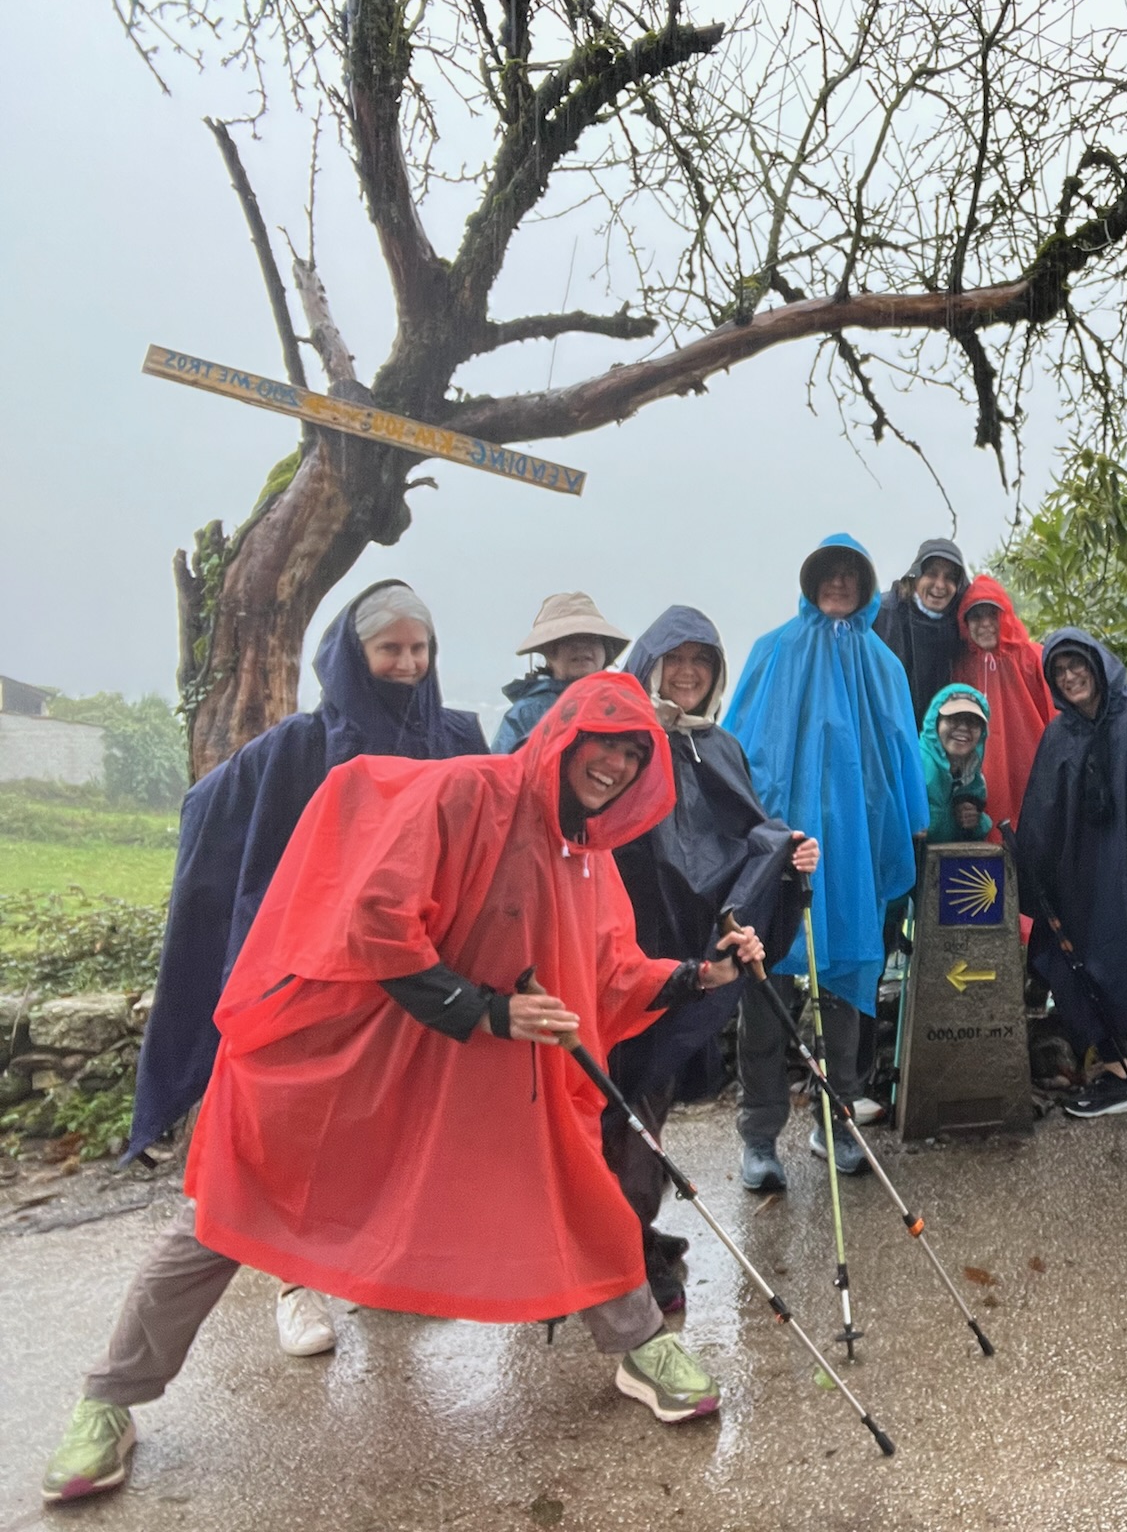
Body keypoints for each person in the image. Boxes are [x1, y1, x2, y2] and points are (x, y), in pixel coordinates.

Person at [41, 675, 765, 1505]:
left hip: (479, 1071)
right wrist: (487, 1010)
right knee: (228, 1209)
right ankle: (109, 1398)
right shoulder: (468, 793)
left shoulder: (587, 857)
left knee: (579, 1191)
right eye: (606, 741)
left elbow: (607, 972)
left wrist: (702, 973)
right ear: (565, 733)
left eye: (636, 753)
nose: (617, 762)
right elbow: (376, 919)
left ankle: (639, 1346)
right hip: (356, 1059)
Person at [129, 580, 485, 1360]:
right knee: (296, 1144)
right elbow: (213, 812)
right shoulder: (299, 745)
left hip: (417, 980)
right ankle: (296, 1285)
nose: (407, 663)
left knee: (393, 1135)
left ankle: (385, 1270)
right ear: (355, 655)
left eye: (419, 649)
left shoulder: (456, 737)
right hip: (320, 982)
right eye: (390, 649)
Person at [611, 606, 819, 1311]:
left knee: (646, 1102)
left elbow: (744, 836)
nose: (690, 671)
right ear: (650, 661)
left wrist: (790, 861)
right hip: (627, 954)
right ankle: (616, 1255)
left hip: (695, 959)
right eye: (677, 657)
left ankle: (627, 1247)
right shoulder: (628, 737)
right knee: (620, 1099)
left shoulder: (718, 746)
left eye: (703, 659)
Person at [724, 535, 927, 1187]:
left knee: (845, 998)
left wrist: (910, 837)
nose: (839, 583)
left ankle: (835, 1122)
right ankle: (759, 1137)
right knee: (764, 997)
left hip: (853, 862)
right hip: (778, 863)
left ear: (867, 588)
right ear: (811, 581)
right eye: (829, 573)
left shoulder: (883, 665)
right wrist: (758, 843)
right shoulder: (772, 651)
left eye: (851, 575)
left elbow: (901, 763)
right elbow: (735, 760)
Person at [1015, 629, 1127, 1118]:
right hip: (1082, 873)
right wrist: (1031, 879)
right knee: (1078, 959)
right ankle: (1115, 1065)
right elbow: (1041, 812)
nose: (1071, 676)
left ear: (1097, 665)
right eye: (1059, 671)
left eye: (1077, 665)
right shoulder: (1060, 734)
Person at [951, 576, 1054, 837]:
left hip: (1034, 784)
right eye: (976, 616)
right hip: (979, 798)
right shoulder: (961, 666)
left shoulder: (1033, 657)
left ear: (1004, 616)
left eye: (992, 615)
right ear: (965, 623)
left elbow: (1057, 716)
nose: (985, 624)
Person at [493, 591, 631, 753]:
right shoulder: (527, 713)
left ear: (605, 650)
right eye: (568, 640)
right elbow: (503, 770)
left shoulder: (626, 705)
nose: (581, 646)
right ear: (549, 654)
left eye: (591, 638)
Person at [873, 537, 968, 723]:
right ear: (916, 577)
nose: (940, 585)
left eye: (949, 578)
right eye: (932, 574)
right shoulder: (882, 614)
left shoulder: (961, 627)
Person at [920, 684, 995, 844]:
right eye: (953, 719)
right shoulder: (913, 765)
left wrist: (975, 822)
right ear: (935, 723)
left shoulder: (973, 778)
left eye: (972, 722)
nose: (963, 728)